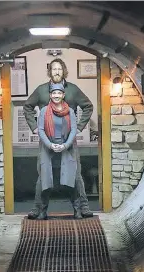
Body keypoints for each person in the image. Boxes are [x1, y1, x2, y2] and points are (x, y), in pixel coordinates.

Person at [24, 58, 94, 219]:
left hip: (68, 139)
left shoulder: (73, 90)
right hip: (46, 139)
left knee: (75, 174)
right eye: (54, 69)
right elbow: (27, 106)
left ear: (64, 71)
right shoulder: (41, 90)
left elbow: (88, 106)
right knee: (44, 174)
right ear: (50, 71)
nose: (56, 72)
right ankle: (38, 209)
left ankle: (82, 207)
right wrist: (35, 127)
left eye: (59, 69)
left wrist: (79, 127)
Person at [34, 83, 79, 219]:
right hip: (48, 149)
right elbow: (41, 130)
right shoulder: (44, 111)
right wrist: (49, 145)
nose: (56, 95)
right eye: (54, 93)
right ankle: (43, 211)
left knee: (72, 179)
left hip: (66, 148)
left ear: (63, 95)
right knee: (45, 180)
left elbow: (73, 130)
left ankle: (77, 210)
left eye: (59, 93)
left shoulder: (70, 111)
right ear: (50, 95)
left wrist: (65, 145)